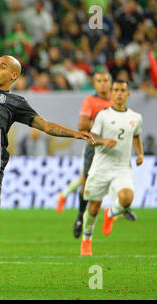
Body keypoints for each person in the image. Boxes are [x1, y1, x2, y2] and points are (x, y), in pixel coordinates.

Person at [0, 56, 94, 294]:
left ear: (14, 75)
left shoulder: (16, 102)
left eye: (3, 66)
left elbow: (44, 125)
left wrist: (75, 134)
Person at [56, 72, 136, 237]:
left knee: (120, 178)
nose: (103, 84)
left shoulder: (116, 100)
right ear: (94, 83)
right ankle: (80, 217)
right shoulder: (90, 101)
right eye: (99, 81)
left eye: (106, 80)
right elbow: (82, 124)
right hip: (95, 147)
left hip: (117, 147)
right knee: (86, 183)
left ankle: (123, 208)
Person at [81, 80, 143, 256]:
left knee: (127, 198)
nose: (119, 93)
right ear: (112, 93)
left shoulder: (135, 117)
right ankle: (87, 240)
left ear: (128, 94)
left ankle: (110, 214)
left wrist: (140, 154)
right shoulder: (102, 116)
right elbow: (90, 139)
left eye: (123, 90)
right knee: (92, 208)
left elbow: (136, 136)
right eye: (116, 90)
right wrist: (103, 141)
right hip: (101, 166)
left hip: (122, 167)